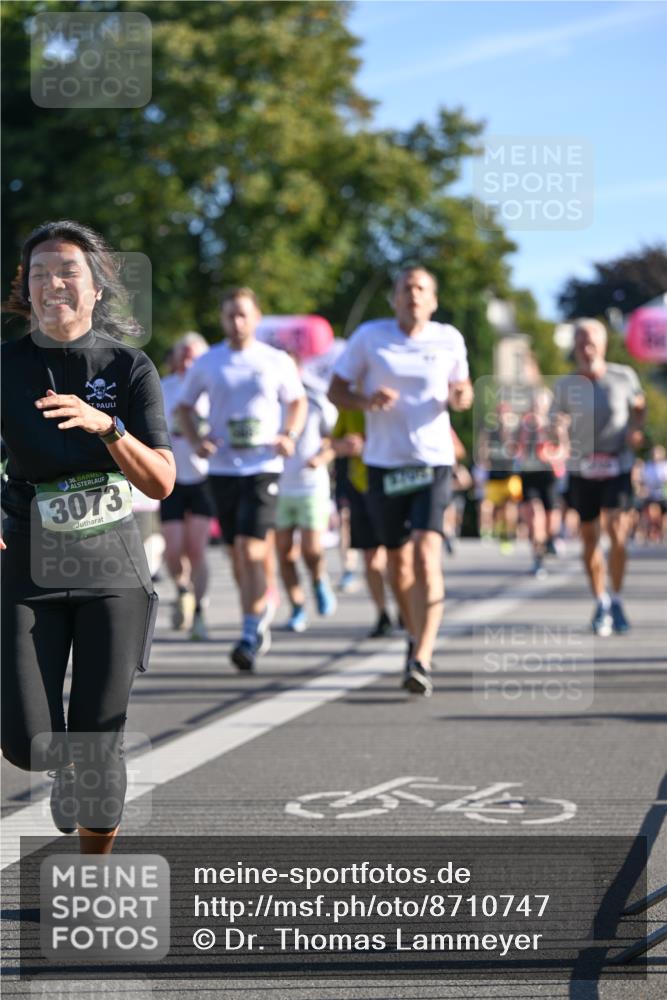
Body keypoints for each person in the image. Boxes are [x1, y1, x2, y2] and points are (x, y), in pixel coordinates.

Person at [1, 220, 175, 854]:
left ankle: (91, 872)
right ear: (27, 287)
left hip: (111, 572)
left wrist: (107, 427)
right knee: (25, 742)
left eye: (68, 271)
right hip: (26, 567)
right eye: (40, 273)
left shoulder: (128, 366)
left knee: (101, 734)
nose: (53, 284)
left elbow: (161, 482)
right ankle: (63, 767)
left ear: (97, 286)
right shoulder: (5, 365)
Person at [329, 266, 473, 696]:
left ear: (433, 299)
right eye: (405, 288)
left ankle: (421, 657)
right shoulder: (370, 337)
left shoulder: (449, 338)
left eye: (421, 288)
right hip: (383, 463)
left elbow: (461, 390)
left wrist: (462, 397)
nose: (413, 294)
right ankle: (414, 633)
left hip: (432, 461)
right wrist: (365, 400)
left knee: (427, 553)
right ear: (393, 298)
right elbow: (337, 391)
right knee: (396, 563)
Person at [177, 287, 306, 672]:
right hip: (222, 469)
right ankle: (258, 607)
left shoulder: (275, 360)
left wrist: (289, 436)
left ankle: (249, 632)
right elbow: (184, 406)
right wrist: (199, 441)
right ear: (221, 319)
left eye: (243, 315)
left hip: (263, 466)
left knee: (252, 550)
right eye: (230, 315)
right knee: (236, 554)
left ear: (257, 317)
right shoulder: (209, 362)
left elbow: (296, 401)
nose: (236, 322)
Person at [551, 318, 646, 636]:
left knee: (618, 533)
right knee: (589, 537)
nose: (585, 344)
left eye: (591, 338)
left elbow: (639, 407)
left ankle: (617, 597)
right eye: (579, 339)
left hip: (617, 464)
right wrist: (559, 431)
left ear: (603, 344)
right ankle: (601, 601)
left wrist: (635, 429)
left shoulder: (623, 376)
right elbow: (555, 423)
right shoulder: (564, 385)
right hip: (582, 468)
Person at [160, 332, 214, 639]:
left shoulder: (210, 390)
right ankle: (182, 590)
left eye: (194, 354)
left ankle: (200, 612)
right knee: (172, 549)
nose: (188, 359)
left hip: (204, 478)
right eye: (183, 353)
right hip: (171, 478)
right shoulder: (164, 388)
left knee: (196, 549)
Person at [275, 366, 338, 632]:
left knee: (311, 550)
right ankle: (297, 607)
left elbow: (332, 440)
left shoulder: (317, 401)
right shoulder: (269, 400)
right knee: (285, 553)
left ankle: (318, 579)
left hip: (311, 486)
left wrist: (321, 458)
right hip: (278, 486)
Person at [331, 409, 393, 638]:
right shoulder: (349, 406)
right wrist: (345, 445)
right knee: (371, 558)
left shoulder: (394, 402)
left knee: (397, 558)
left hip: (391, 487)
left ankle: (407, 609)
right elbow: (332, 443)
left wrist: (372, 444)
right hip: (360, 487)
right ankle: (382, 613)